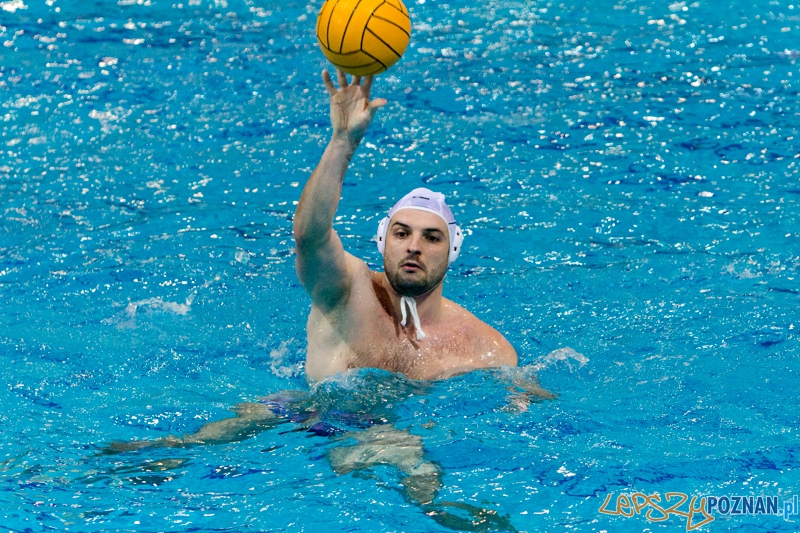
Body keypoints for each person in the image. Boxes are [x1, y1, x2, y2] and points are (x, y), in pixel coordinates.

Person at [294, 69, 518, 382]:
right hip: (306, 410)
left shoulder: (485, 349)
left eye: (432, 238)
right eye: (401, 233)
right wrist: (342, 142)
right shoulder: (346, 290)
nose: (414, 247)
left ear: (453, 251)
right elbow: (310, 237)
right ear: (383, 240)